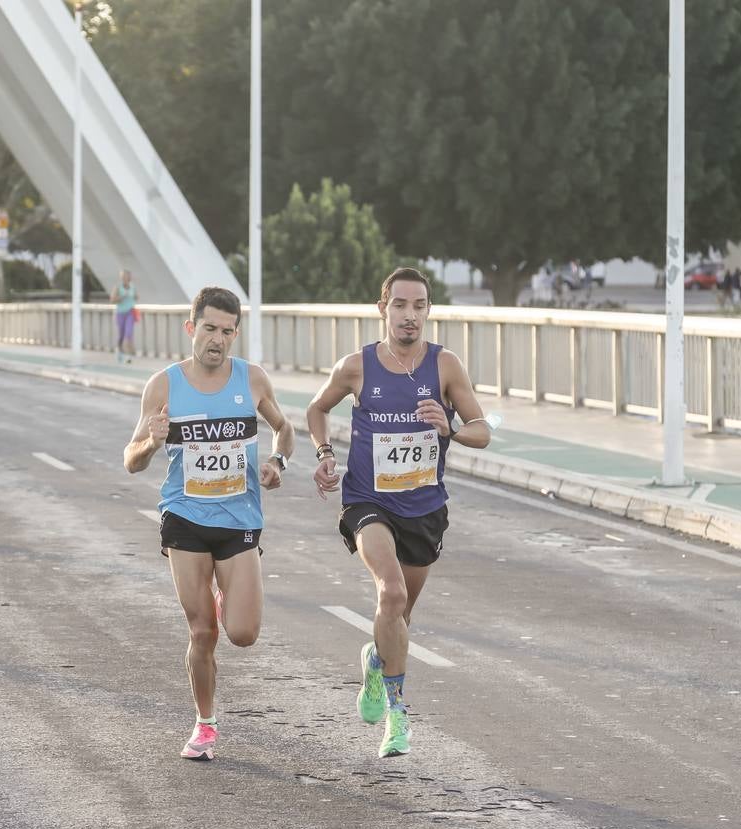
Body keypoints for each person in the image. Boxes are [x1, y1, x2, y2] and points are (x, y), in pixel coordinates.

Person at [306, 267, 492, 758]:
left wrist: (449, 430)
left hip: (424, 509)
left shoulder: (445, 365)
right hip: (369, 501)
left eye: (420, 306)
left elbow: (482, 428)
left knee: (399, 615)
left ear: (428, 311)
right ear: (382, 308)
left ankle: (374, 662)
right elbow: (316, 409)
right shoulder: (357, 366)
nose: (410, 316)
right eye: (400, 305)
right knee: (388, 593)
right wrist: (325, 455)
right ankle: (397, 715)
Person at [123, 286, 294, 761]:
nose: (216, 339)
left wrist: (278, 462)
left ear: (235, 334)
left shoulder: (253, 380)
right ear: (190, 328)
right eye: (208, 329)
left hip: (240, 517)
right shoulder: (164, 386)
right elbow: (131, 460)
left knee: (242, 633)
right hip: (185, 518)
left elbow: (284, 428)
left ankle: (226, 594)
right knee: (203, 633)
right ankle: (205, 724)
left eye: (226, 331)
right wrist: (151, 445)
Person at [110, 269, 139, 363]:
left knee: (128, 334)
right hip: (120, 313)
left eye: (127, 276)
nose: (126, 278)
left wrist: (134, 297)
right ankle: (120, 351)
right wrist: (122, 297)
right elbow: (112, 300)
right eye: (124, 277)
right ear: (122, 278)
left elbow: (136, 297)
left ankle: (128, 356)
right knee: (121, 336)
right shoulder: (118, 287)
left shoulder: (133, 287)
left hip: (130, 313)